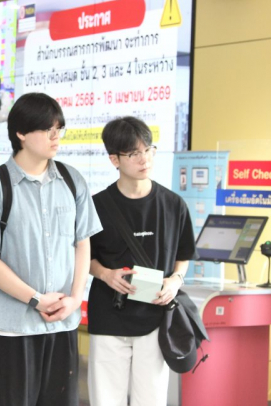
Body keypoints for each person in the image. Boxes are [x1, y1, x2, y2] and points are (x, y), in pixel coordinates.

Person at [0, 92, 102, 406]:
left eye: (59, 128)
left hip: (62, 323)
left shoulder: (72, 180)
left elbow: (83, 243)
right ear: (21, 133)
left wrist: (75, 299)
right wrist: (36, 299)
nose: (56, 136)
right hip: (11, 327)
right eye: (47, 129)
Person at [87, 116, 197, 406]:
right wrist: (105, 274)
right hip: (109, 316)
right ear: (114, 159)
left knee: (151, 399)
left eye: (148, 149)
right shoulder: (97, 206)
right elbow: (84, 257)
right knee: (105, 399)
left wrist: (175, 281)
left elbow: (184, 255)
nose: (144, 159)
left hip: (156, 316)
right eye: (134, 153)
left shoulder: (173, 204)